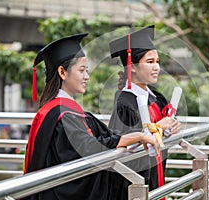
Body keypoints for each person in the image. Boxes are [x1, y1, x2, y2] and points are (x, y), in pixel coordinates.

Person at [23, 33, 160, 200]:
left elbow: (100, 138)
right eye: (82, 70)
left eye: (86, 70)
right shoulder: (62, 114)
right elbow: (89, 148)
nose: (87, 76)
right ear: (62, 72)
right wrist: (137, 136)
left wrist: (136, 138)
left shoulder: (62, 110)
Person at [108, 25, 181, 200]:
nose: (156, 67)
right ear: (132, 66)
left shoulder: (156, 97)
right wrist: (158, 127)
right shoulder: (124, 102)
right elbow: (123, 145)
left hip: (156, 179)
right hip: (134, 187)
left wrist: (172, 126)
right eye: (150, 62)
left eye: (157, 61)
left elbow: (163, 129)